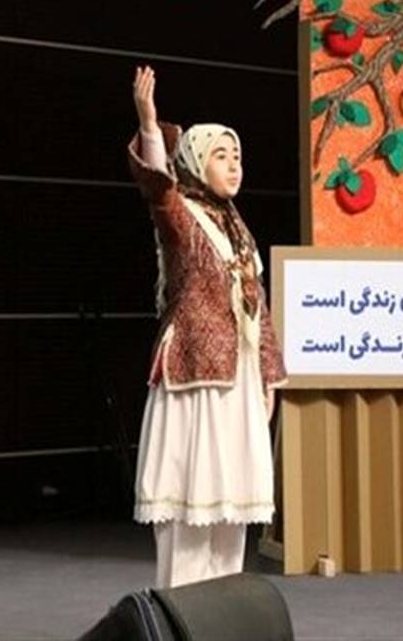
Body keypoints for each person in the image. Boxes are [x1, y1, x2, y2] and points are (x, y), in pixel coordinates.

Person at [127, 65, 286, 589]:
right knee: (191, 507)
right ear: (196, 162)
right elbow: (158, 189)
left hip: (236, 383)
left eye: (236, 155)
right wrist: (149, 125)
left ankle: (219, 613)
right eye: (221, 155)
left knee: (230, 509)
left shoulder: (237, 226)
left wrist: (267, 375)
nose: (233, 164)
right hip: (196, 378)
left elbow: (256, 303)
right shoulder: (183, 216)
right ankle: (181, 613)